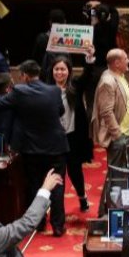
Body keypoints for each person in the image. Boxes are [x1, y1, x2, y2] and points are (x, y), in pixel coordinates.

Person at [0, 60, 68, 236]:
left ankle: (39, 223)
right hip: (55, 146)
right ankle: (58, 226)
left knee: (35, 185)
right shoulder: (54, 90)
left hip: (31, 148)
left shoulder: (19, 91)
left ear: (24, 76)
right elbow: (60, 112)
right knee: (57, 186)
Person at [47, 55, 94, 213]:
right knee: (55, 172)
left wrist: (89, 59)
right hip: (54, 137)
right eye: (57, 69)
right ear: (52, 71)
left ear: (69, 71)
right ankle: (55, 206)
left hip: (73, 135)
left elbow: (87, 75)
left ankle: (82, 197)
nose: (59, 72)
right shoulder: (46, 89)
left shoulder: (75, 86)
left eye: (63, 69)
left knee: (75, 170)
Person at [92, 48, 129, 168]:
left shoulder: (119, 75)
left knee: (123, 171)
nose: (128, 61)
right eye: (126, 59)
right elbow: (106, 111)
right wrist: (117, 135)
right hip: (118, 137)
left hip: (126, 133)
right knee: (117, 174)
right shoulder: (108, 81)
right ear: (117, 63)